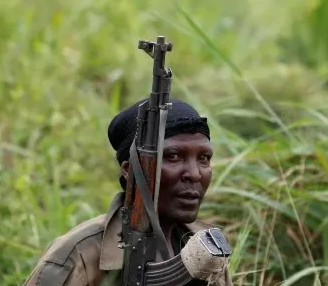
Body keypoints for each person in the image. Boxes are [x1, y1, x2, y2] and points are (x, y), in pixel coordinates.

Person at [23, 98, 233, 286]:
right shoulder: (78, 255)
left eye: (203, 158)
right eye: (173, 157)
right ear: (129, 169)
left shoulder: (206, 248)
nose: (195, 174)